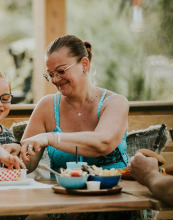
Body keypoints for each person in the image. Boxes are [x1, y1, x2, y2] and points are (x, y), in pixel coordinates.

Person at [20, 35, 129, 176]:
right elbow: (26, 164)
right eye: (50, 74)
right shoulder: (46, 106)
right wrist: (13, 155)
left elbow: (103, 143)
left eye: (61, 71)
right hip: (62, 195)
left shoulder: (115, 103)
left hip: (115, 193)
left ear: (84, 64)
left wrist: (51, 138)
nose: (55, 80)